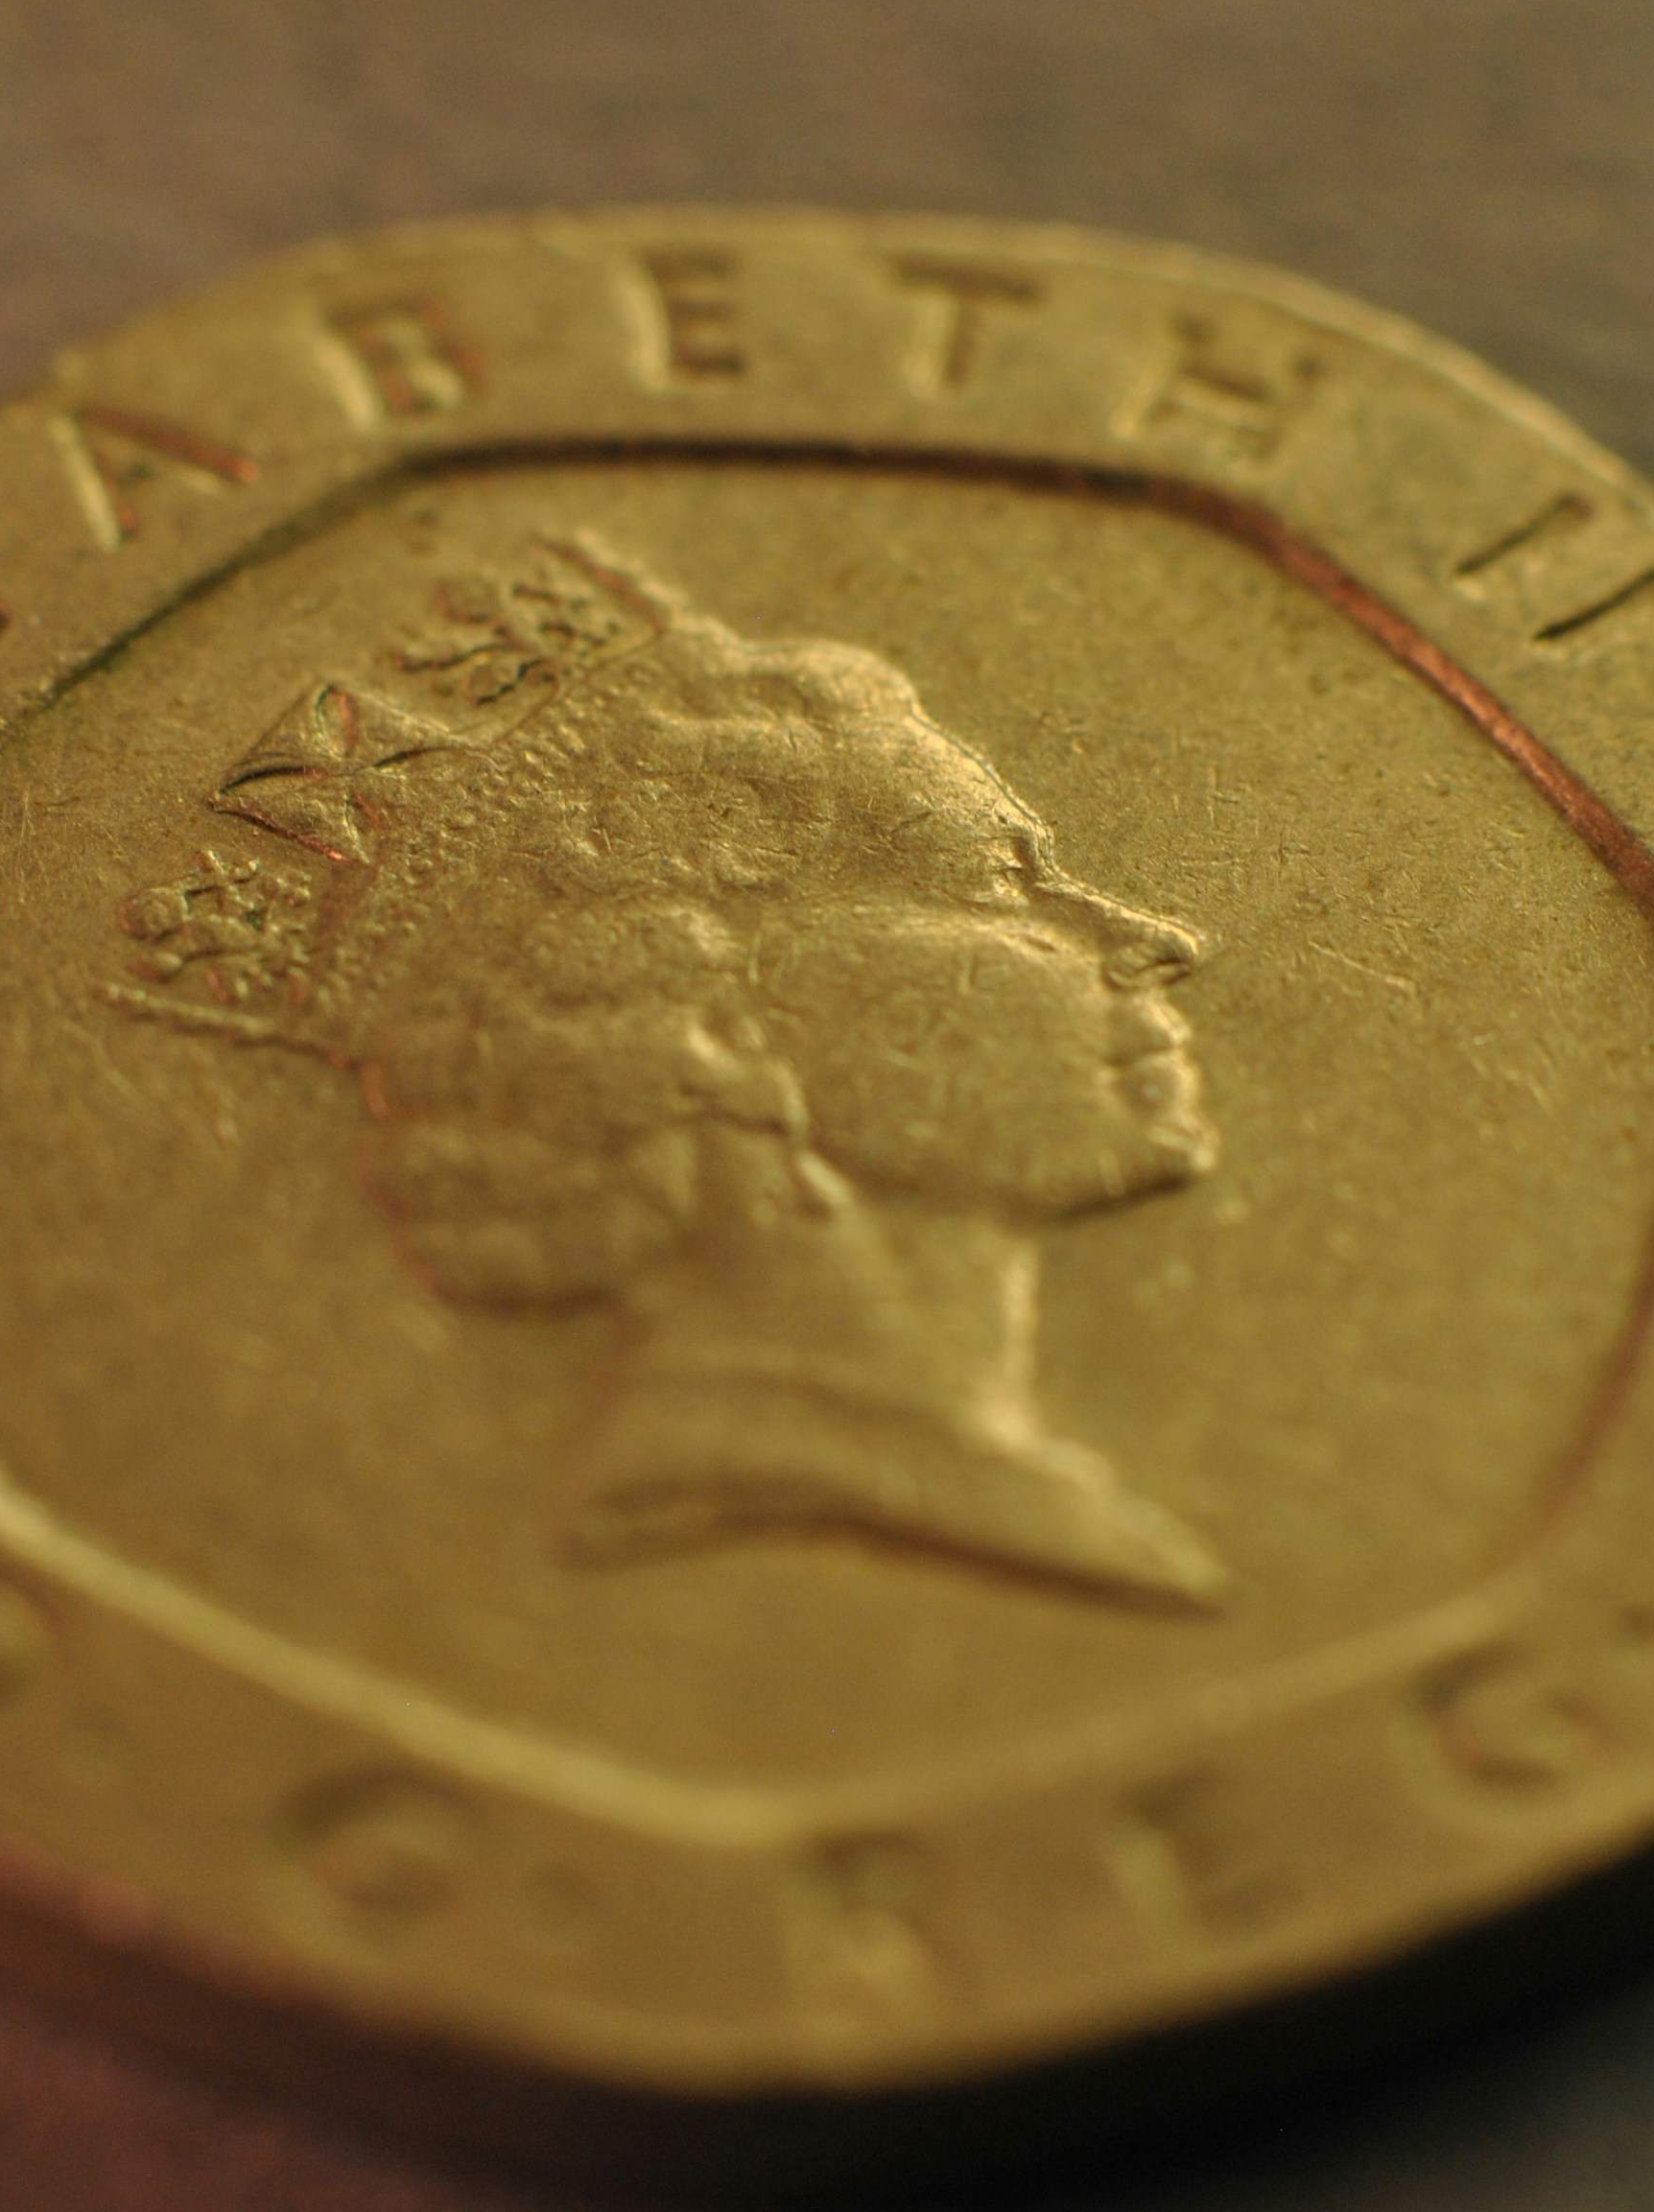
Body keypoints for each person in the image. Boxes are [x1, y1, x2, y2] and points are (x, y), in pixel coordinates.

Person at [112, 533, 1228, 1612]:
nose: (1144, 939)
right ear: (721, 1028)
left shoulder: (1017, 1495)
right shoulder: (783, 1486)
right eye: (997, 881)